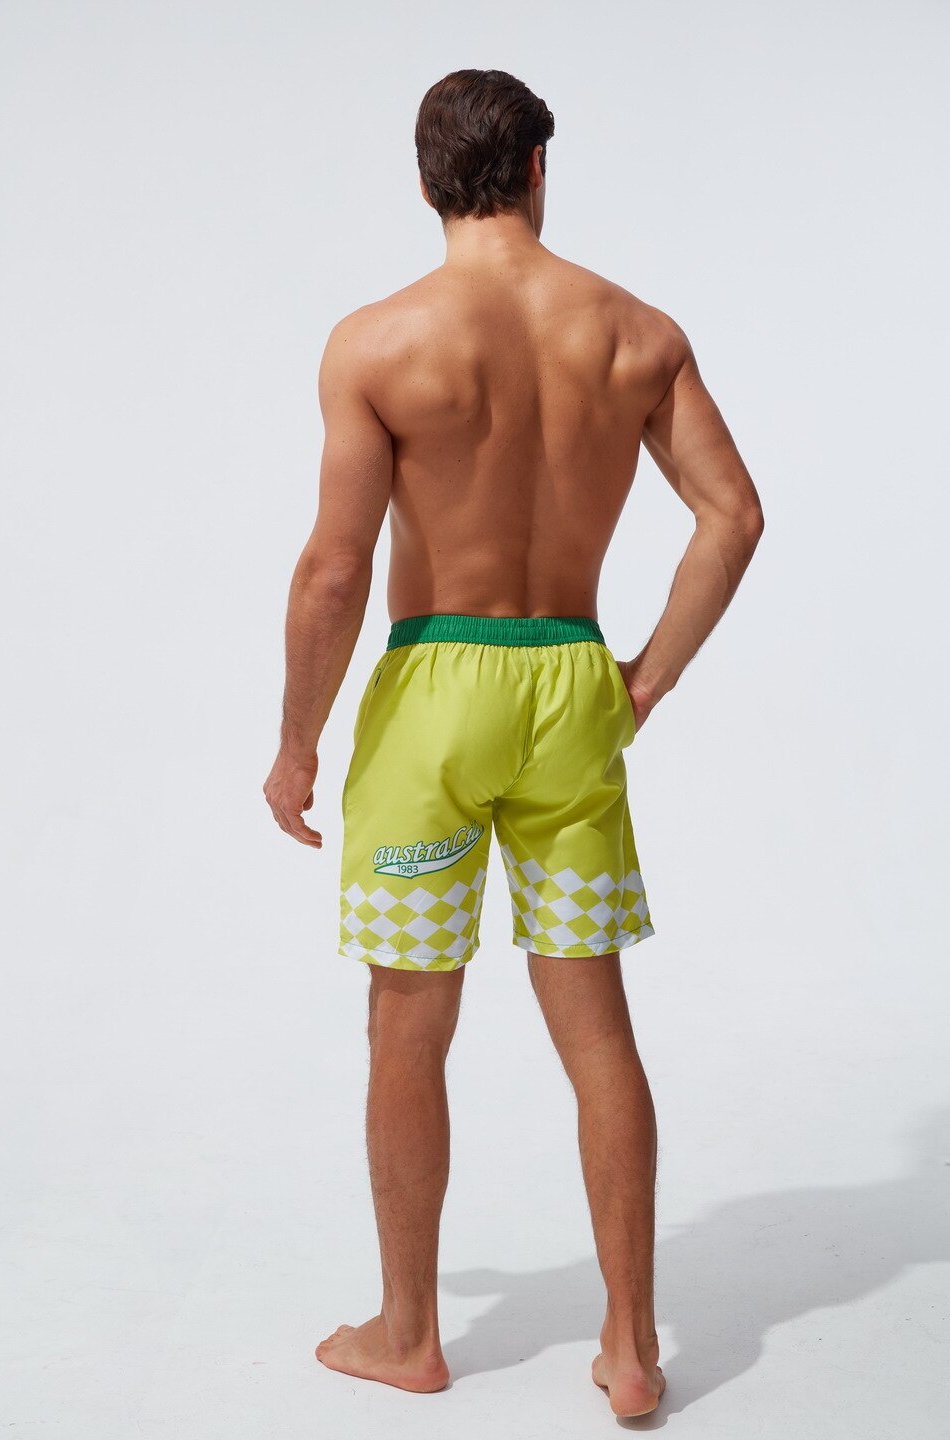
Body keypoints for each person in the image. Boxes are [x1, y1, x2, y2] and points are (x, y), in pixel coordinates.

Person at [263, 67, 764, 1419]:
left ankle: (409, 1333)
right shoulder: (636, 333)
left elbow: (332, 570)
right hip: (572, 685)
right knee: (594, 1021)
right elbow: (732, 516)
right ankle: (633, 1348)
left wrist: (297, 744)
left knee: (408, 1019)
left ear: (427, 180)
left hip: (434, 693)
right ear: (540, 167)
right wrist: (642, 680)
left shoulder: (378, 344)